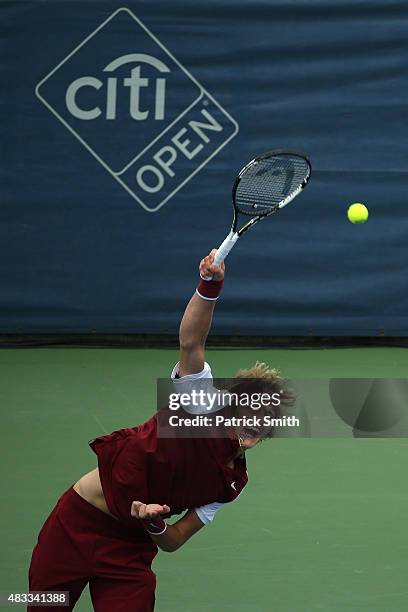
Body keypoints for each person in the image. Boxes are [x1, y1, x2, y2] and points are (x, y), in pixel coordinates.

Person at [28, 250, 288, 611]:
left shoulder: (232, 484)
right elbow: (191, 342)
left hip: (131, 551)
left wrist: (154, 524)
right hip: (74, 524)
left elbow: (175, 540)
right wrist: (210, 286)